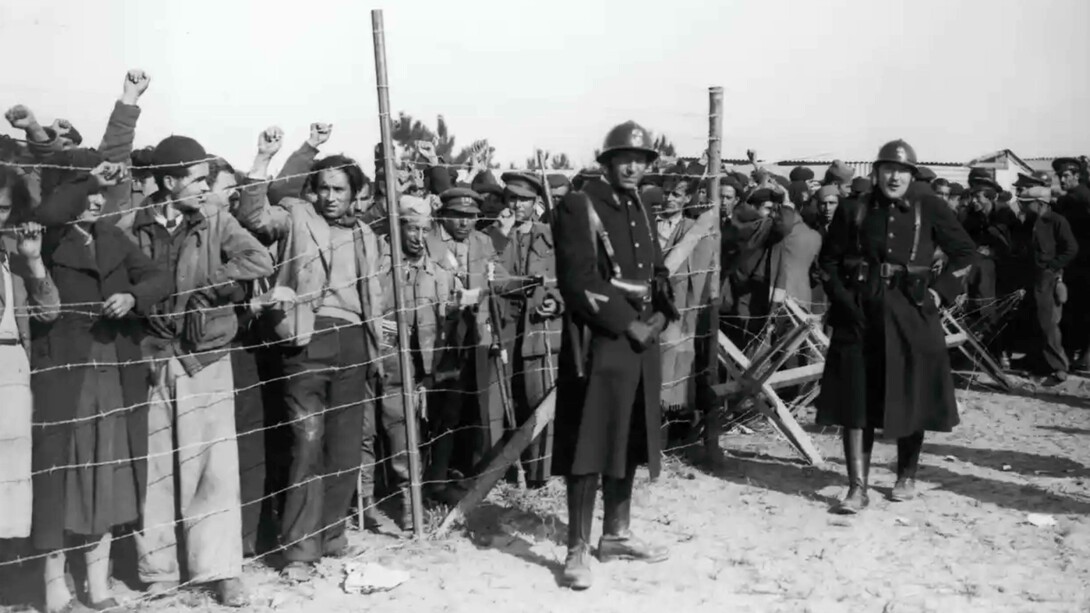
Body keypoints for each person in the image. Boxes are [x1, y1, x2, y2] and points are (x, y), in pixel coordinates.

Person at [119, 135, 273, 606]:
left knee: (214, 468)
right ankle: (159, 570)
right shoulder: (130, 225)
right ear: (169, 183)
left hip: (205, 353)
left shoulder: (216, 219)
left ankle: (219, 569)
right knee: (156, 465)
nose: (207, 189)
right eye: (198, 181)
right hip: (152, 355)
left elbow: (259, 259)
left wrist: (215, 285)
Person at [31, 161, 172, 612]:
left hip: (114, 369)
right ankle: (55, 587)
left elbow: (157, 277)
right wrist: (89, 179)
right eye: (88, 192)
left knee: (109, 471)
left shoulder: (111, 236)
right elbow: (53, 212)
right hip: (65, 374)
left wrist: (133, 297)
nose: (96, 200)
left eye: (102, 193)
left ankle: (99, 581)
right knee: (61, 476)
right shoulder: (46, 236)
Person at [816, 140, 975, 514]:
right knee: (856, 399)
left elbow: (966, 253)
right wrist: (843, 300)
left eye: (903, 171)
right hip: (859, 315)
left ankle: (906, 475)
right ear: (876, 171)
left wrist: (941, 293)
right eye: (888, 169)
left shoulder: (930, 206)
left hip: (912, 313)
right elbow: (829, 262)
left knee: (911, 392)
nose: (895, 177)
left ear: (912, 176)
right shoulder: (854, 209)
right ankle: (857, 488)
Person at [552, 121, 677, 590]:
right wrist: (629, 323)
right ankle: (576, 549)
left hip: (643, 340)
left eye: (642, 160)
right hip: (602, 339)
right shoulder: (579, 204)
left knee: (627, 437)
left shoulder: (641, 205)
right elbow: (579, 280)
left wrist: (663, 314)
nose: (633, 166)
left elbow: (658, 272)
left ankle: (617, 535)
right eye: (624, 158)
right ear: (605, 161)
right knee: (590, 441)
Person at [267, 155, 384, 580]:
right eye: (324, 188)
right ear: (313, 188)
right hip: (307, 337)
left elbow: (372, 296)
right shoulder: (296, 216)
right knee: (306, 443)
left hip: (354, 342)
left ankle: (332, 535)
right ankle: (299, 551)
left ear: (355, 195)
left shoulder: (366, 234)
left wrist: (377, 349)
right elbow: (257, 209)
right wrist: (295, 152)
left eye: (340, 189)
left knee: (345, 445)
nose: (330, 197)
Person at [489, 180, 563, 486]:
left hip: (539, 329)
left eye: (525, 200)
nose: (517, 205)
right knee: (503, 403)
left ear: (536, 204)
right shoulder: (493, 236)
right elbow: (490, 275)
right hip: (504, 327)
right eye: (513, 199)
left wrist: (554, 301)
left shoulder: (551, 236)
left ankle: (539, 473)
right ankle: (504, 472)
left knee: (539, 398)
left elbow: (566, 280)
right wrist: (499, 237)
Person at [0, 168, 59, 543]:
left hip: (11, 365)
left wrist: (34, 261)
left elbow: (49, 310)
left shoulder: (12, 254)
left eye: (3, 208)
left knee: (10, 467)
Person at [1017, 186, 1078, 385]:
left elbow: (1071, 248)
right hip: (1034, 276)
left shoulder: (1057, 221)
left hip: (1049, 278)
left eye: (1027, 203)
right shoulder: (1030, 222)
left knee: (1049, 323)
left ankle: (1060, 368)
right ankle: (1039, 365)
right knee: (1037, 321)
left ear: (1041, 204)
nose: (1023, 206)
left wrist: (1053, 267)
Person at [1053, 157, 1090, 369]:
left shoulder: (1083, 199)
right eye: (1060, 176)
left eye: (1066, 175)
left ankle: (1083, 356)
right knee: (1074, 309)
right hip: (1075, 263)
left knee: (1082, 309)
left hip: (1085, 263)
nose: (1062, 179)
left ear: (1077, 176)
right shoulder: (1070, 199)